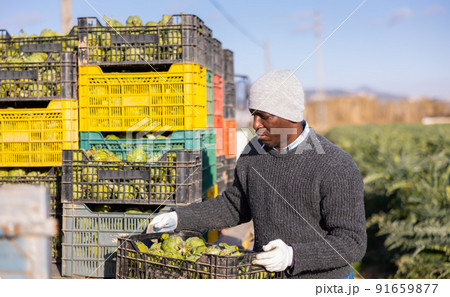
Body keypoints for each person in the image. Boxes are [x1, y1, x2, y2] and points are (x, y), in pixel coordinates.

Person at [146, 69, 367, 279]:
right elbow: (234, 206)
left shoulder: (335, 165)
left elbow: (351, 241)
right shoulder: (254, 152)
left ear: (289, 115)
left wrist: (292, 256)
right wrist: (179, 218)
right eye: (253, 114)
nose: (255, 124)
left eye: (264, 116)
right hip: (265, 276)